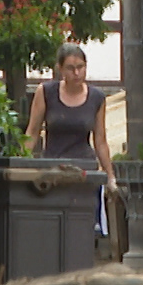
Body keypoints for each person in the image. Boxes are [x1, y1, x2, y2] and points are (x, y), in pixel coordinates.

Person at [25, 44, 116, 237]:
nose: (77, 73)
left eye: (81, 67)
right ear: (60, 69)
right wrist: (21, 162)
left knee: (81, 230)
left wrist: (110, 177)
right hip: (53, 169)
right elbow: (32, 132)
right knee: (51, 230)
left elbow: (100, 140)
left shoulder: (97, 98)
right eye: (70, 68)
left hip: (83, 170)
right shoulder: (46, 92)